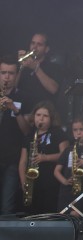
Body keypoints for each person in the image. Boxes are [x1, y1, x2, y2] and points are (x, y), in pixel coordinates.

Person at [18, 100, 69, 214]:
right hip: (33, 182)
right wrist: (23, 181)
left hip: (51, 181)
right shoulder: (30, 134)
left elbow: (65, 155)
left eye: (45, 116)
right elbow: (23, 161)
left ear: (51, 118)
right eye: (38, 115)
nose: (40, 119)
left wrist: (45, 158)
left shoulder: (58, 132)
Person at [0, 55, 30, 215]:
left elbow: (26, 131)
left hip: (12, 159)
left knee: (7, 207)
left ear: (16, 74)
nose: (6, 77)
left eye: (11, 73)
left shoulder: (23, 97)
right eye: (3, 72)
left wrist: (15, 110)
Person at [54, 115, 83, 216]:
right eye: (75, 130)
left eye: (81, 129)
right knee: (63, 216)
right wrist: (64, 181)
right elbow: (56, 171)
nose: (78, 132)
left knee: (76, 215)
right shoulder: (69, 149)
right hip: (67, 191)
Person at [17, 32, 63, 117]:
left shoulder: (54, 67)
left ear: (46, 49)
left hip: (43, 115)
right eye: (33, 43)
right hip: (22, 114)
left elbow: (53, 89)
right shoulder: (23, 65)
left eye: (39, 44)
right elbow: (12, 87)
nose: (34, 47)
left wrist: (36, 68)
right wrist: (20, 67)